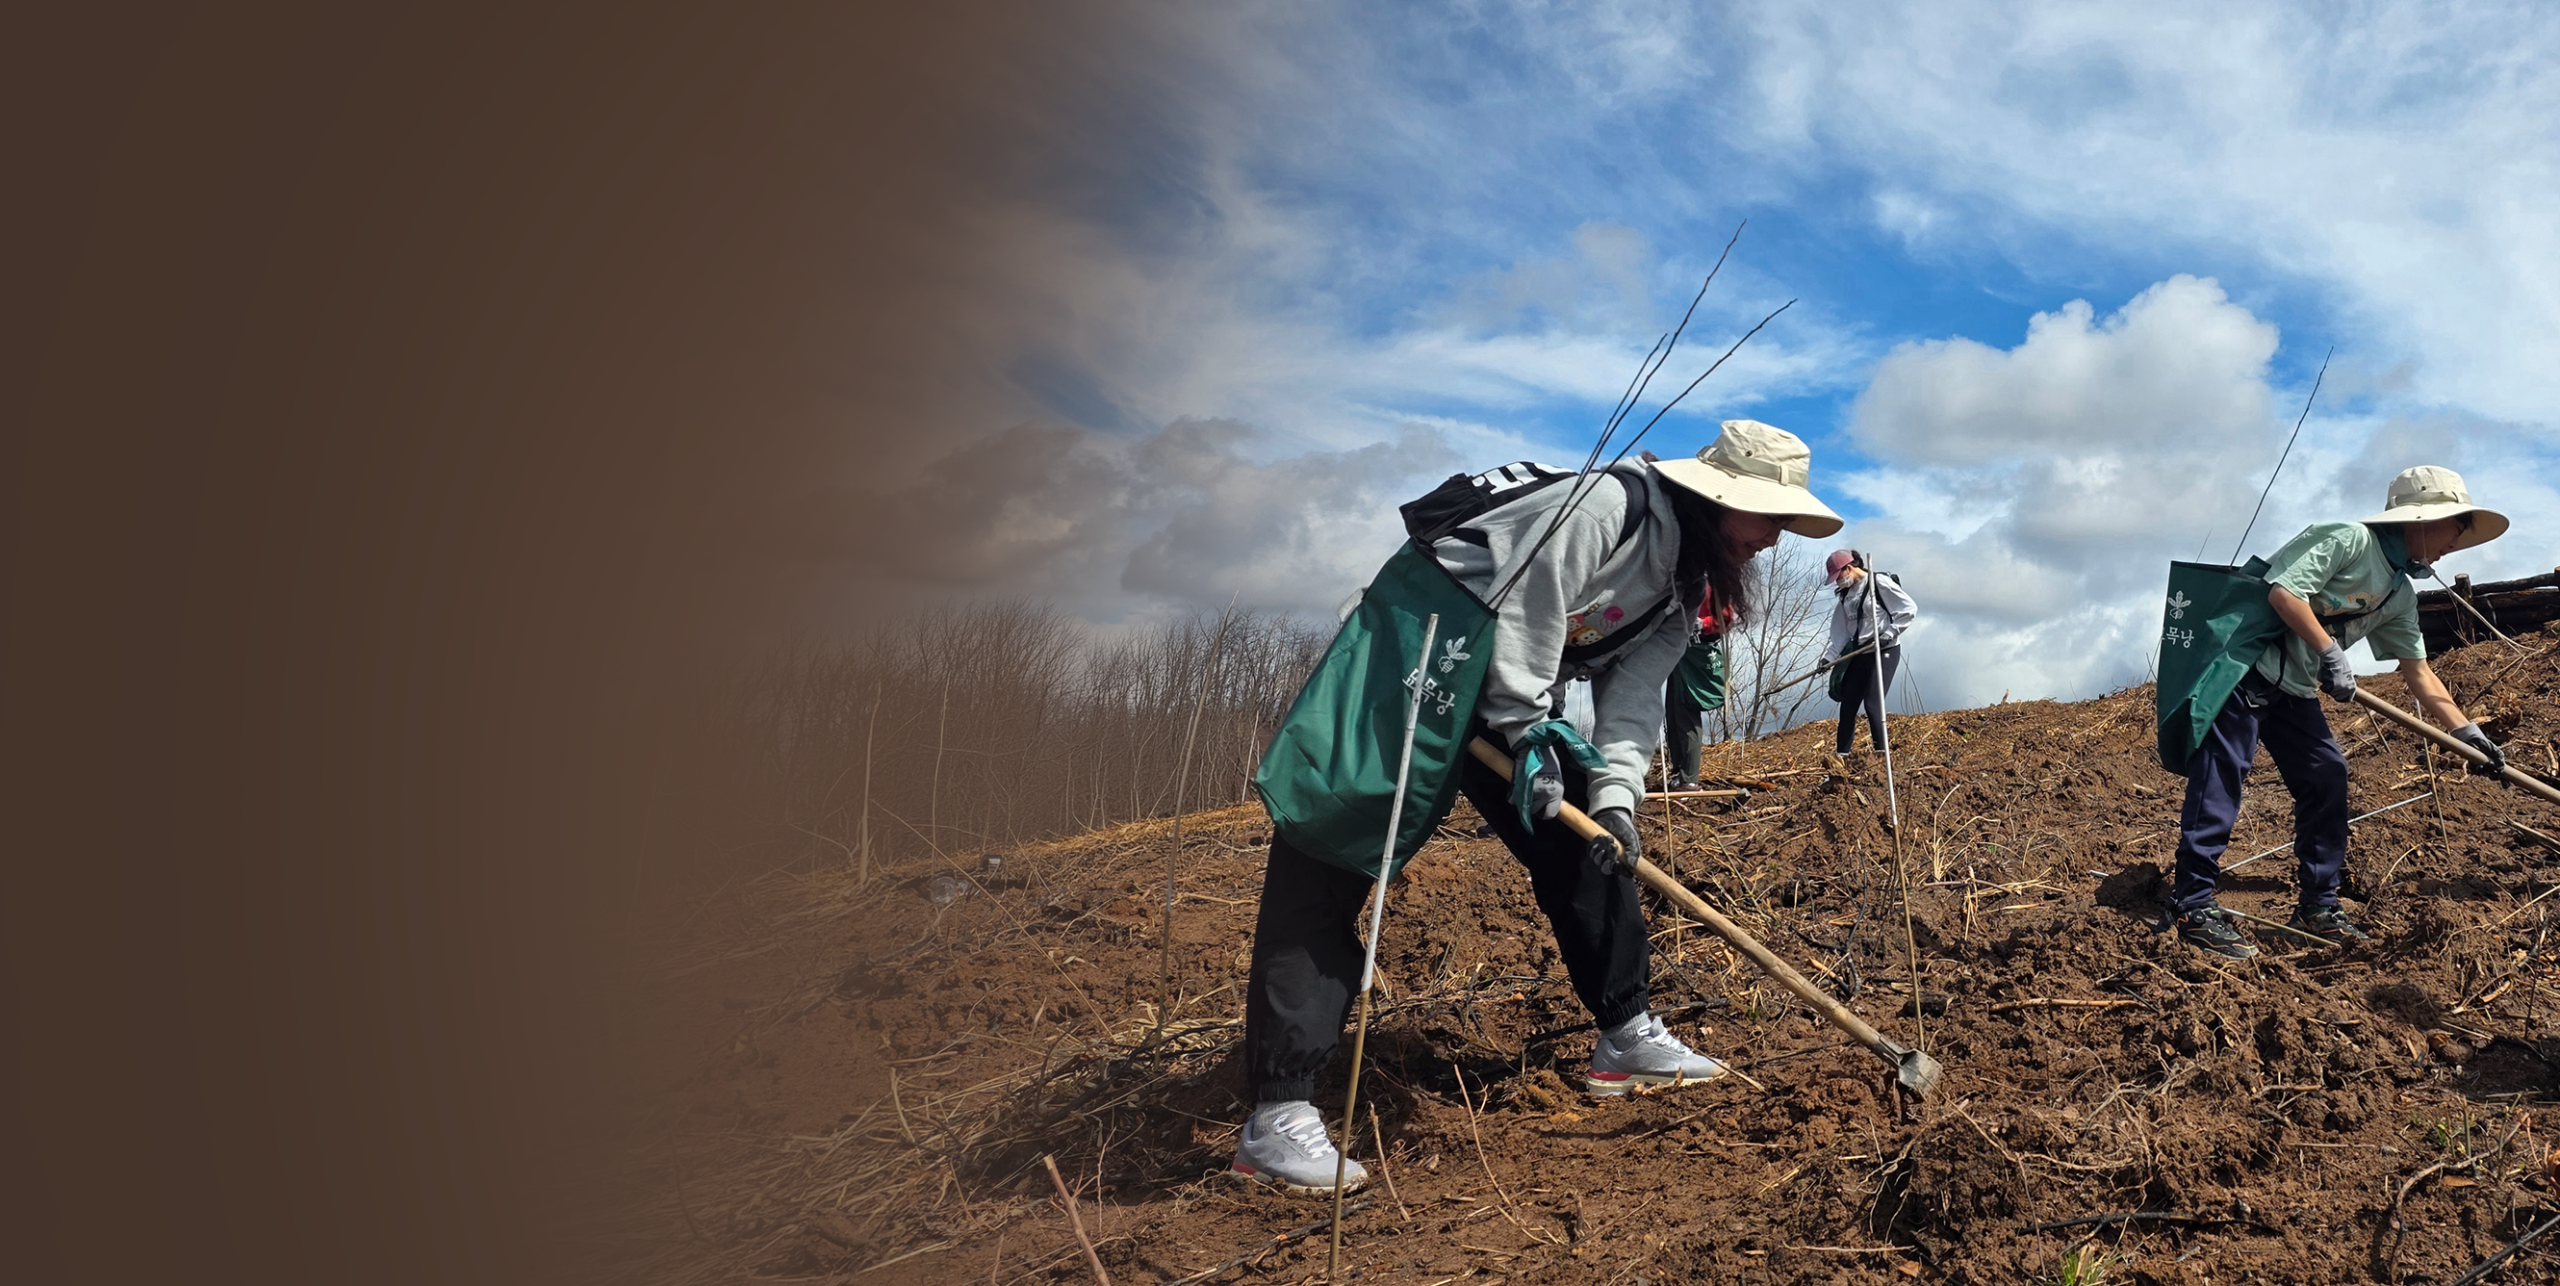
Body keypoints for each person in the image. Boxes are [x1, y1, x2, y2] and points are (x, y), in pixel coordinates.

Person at [1231, 421, 1842, 1194]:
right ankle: (1276, 1118)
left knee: (1587, 835)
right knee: (1335, 849)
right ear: (1719, 501)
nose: (1776, 538)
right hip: (1422, 652)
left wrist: (1617, 803)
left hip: (1507, 694)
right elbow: (1527, 619)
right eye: (1770, 516)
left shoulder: (1686, 586)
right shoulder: (1604, 509)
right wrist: (1526, 737)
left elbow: (1631, 705)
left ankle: (1625, 1036)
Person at [2168, 466, 2509, 960]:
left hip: (2295, 688)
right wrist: (2330, 650)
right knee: (2223, 778)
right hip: (2246, 669)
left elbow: (2419, 673)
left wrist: (2466, 731)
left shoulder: (2399, 593)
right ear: (2418, 519)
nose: (2453, 542)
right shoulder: (2349, 541)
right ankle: (2192, 904)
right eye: (2452, 526)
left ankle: (2317, 908)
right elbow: (2284, 592)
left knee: (2327, 774)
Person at [1815, 550, 1916, 761]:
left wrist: (1889, 634)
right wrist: (1828, 658)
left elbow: (1908, 608)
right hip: (1859, 652)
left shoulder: (1877, 582)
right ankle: (1840, 759)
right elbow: (1840, 634)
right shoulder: (1845, 596)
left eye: (1838, 577)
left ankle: (1881, 758)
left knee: (1872, 702)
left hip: (1884, 650)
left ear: (1848, 568)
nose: (1837, 583)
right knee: (1848, 705)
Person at [1661, 587, 1730, 792]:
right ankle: (1679, 772)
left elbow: (1726, 617)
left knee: (1686, 712)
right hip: (1677, 649)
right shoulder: (1678, 579)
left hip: (1696, 650)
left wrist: (1704, 624)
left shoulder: (1713, 583)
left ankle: (1689, 778)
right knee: (1673, 714)